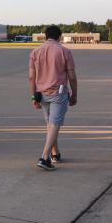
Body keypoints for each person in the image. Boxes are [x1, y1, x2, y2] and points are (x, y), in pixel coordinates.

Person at [29, 25, 78, 170]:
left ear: (45, 36)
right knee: (54, 124)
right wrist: (74, 94)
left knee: (51, 124)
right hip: (59, 93)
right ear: (59, 36)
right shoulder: (65, 51)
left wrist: (34, 97)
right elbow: (72, 76)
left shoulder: (35, 52)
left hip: (41, 93)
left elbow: (31, 77)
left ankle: (54, 153)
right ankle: (44, 157)